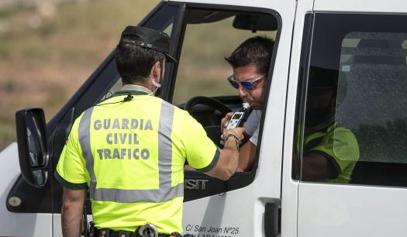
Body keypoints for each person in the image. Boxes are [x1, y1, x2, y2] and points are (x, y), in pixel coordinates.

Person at [55, 26, 244, 237]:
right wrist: (232, 137)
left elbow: (71, 205)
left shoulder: (85, 122)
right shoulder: (176, 120)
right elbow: (226, 168)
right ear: (156, 69)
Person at [222, 37, 358, 182]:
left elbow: (305, 170)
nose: (306, 96)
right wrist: (230, 136)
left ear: (336, 98)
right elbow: (237, 165)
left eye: (317, 92)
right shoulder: (289, 123)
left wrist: (270, 127)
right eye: (303, 89)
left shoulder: (345, 140)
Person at [221, 36, 274, 172]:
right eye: (236, 83)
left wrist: (231, 139)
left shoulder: (275, 115)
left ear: (273, 77)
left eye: (248, 85)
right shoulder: (261, 108)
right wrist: (230, 133)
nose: (241, 93)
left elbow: (234, 167)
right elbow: (245, 137)